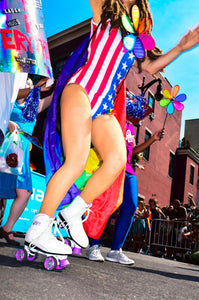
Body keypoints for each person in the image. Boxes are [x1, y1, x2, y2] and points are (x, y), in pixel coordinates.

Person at [24, 0, 199, 259]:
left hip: (103, 108)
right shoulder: (104, 13)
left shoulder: (136, 39)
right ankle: (38, 229)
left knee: (117, 160)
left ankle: (72, 213)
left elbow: (149, 67)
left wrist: (182, 47)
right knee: (77, 160)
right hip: (81, 90)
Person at [86, 120, 164, 264]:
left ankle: (115, 250)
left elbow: (133, 151)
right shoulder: (111, 118)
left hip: (127, 169)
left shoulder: (130, 127)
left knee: (131, 207)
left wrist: (153, 139)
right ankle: (94, 246)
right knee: (106, 205)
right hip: (110, 165)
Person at [0, 77, 53, 246]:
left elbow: (54, 94)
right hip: (6, 152)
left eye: (30, 83)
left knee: (24, 193)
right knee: (2, 195)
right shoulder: (8, 100)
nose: (27, 84)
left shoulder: (33, 106)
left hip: (22, 157)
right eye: (25, 82)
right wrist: (7, 122)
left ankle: (7, 228)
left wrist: (63, 79)